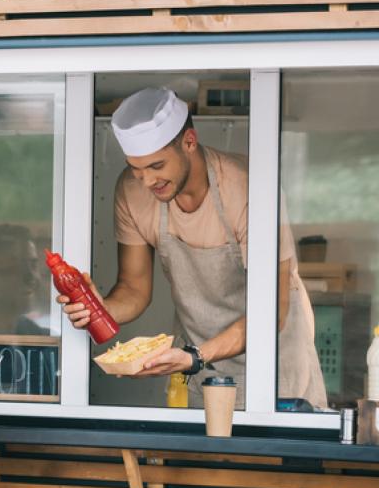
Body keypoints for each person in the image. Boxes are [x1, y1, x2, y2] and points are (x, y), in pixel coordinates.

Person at [61, 88, 326, 409]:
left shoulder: (247, 189)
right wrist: (98, 308)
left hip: (275, 359)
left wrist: (196, 356)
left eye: (157, 166)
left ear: (189, 141)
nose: (146, 181)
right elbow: (134, 288)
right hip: (198, 361)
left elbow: (273, 309)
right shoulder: (132, 192)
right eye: (136, 168)